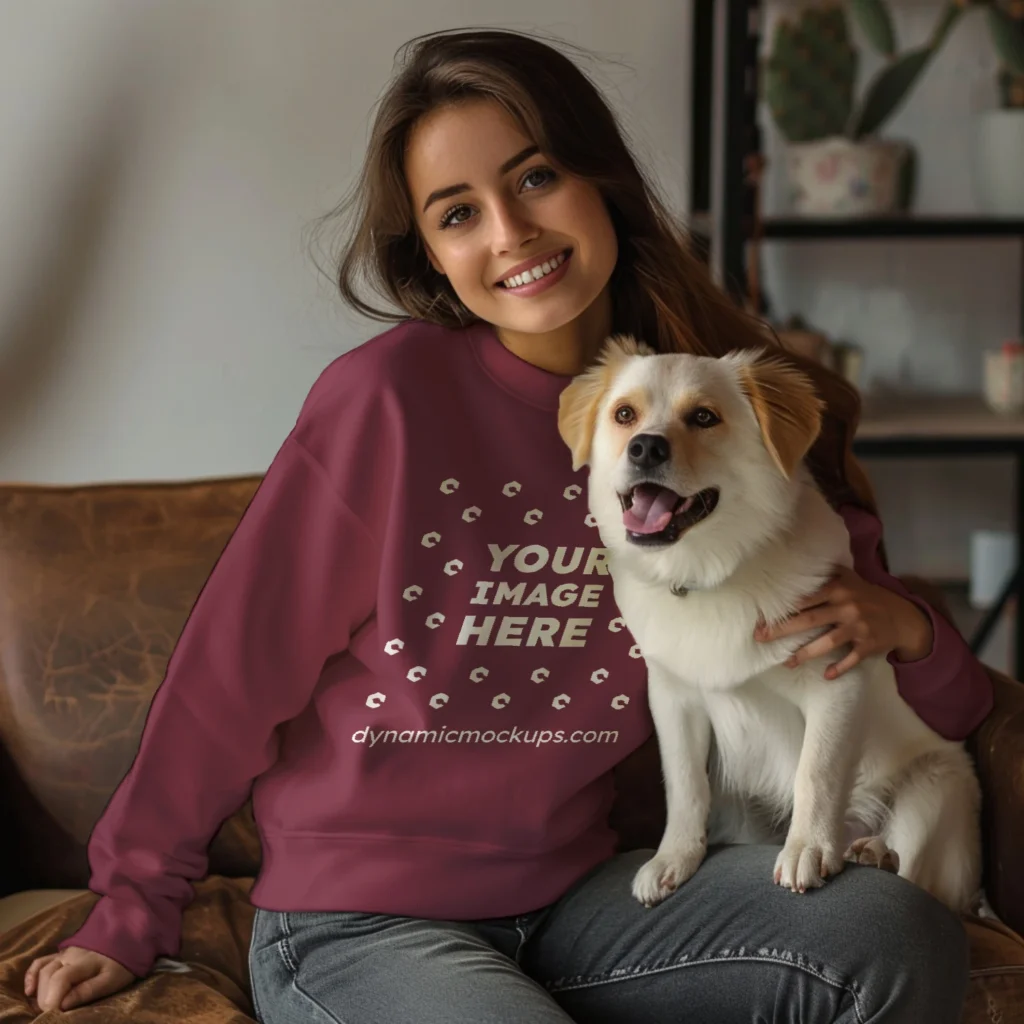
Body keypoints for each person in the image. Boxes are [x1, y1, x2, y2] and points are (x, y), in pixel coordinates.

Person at [24, 27, 993, 1023]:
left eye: (534, 179)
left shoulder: (713, 409)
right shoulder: (386, 403)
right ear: (436, 259)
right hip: (360, 921)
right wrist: (129, 909)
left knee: (885, 935)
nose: (509, 233)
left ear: (599, 178)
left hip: (580, 902)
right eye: (458, 213)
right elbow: (229, 673)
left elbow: (910, 678)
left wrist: (913, 634)